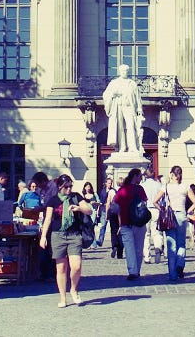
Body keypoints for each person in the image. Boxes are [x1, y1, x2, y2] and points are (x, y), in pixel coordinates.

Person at [38, 174, 92, 307]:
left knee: (76, 266)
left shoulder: (76, 197)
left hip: (74, 235)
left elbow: (89, 210)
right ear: (60, 187)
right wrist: (43, 236)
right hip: (58, 235)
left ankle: (73, 289)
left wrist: (79, 208)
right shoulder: (53, 200)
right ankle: (63, 297)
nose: (69, 189)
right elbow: (48, 219)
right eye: (66, 187)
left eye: (70, 186)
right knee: (61, 268)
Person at [155, 166, 195, 281]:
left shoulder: (166, 187)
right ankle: (180, 265)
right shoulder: (186, 187)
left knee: (171, 246)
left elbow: (155, 201)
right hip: (181, 216)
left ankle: (172, 274)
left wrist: (162, 209)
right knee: (181, 244)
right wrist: (187, 211)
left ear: (172, 174)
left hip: (170, 216)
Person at [113, 168, 148, 280]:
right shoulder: (140, 189)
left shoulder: (122, 190)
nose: (141, 178)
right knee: (139, 248)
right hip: (139, 222)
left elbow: (115, 207)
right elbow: (144, 204)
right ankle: (137, 270)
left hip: (125, 222)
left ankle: (132, 271)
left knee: (129, 248)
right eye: (140, 176)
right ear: (135, 176)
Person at [103, 64, 144, 153]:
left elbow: (138, 97)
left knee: (131, 126)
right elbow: (106, 94)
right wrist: (113, 94)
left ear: (128, 72)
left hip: (129, 107)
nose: (124, 72)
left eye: (125, 71)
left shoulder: (132, 83)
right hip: (118, 106)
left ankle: (132, 147)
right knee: (120, 127)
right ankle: (122, 147)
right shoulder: (114, 83)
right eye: (122, 71)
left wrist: (139, 109)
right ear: (119, 72)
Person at [141, 169, 163, 264]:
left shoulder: (142, 185)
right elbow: (162, 199)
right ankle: (158, 252)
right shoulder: (158, 185)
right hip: (156, 209)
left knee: (146, 234)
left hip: (145, 210)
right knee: (156, 232)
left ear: (145, 175)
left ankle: (147, 256)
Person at [96, 176, 116, 250]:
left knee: (113, 227)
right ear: (106, 183)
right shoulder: (103, 191)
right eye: (108, 183)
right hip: (104, 210)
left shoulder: (114, 191)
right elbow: (101, 202)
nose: (110, 185)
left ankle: (114, 243)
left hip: (111, 210)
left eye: (111, 183)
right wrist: (98, 210)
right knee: (103, 226)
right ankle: (100, 241)